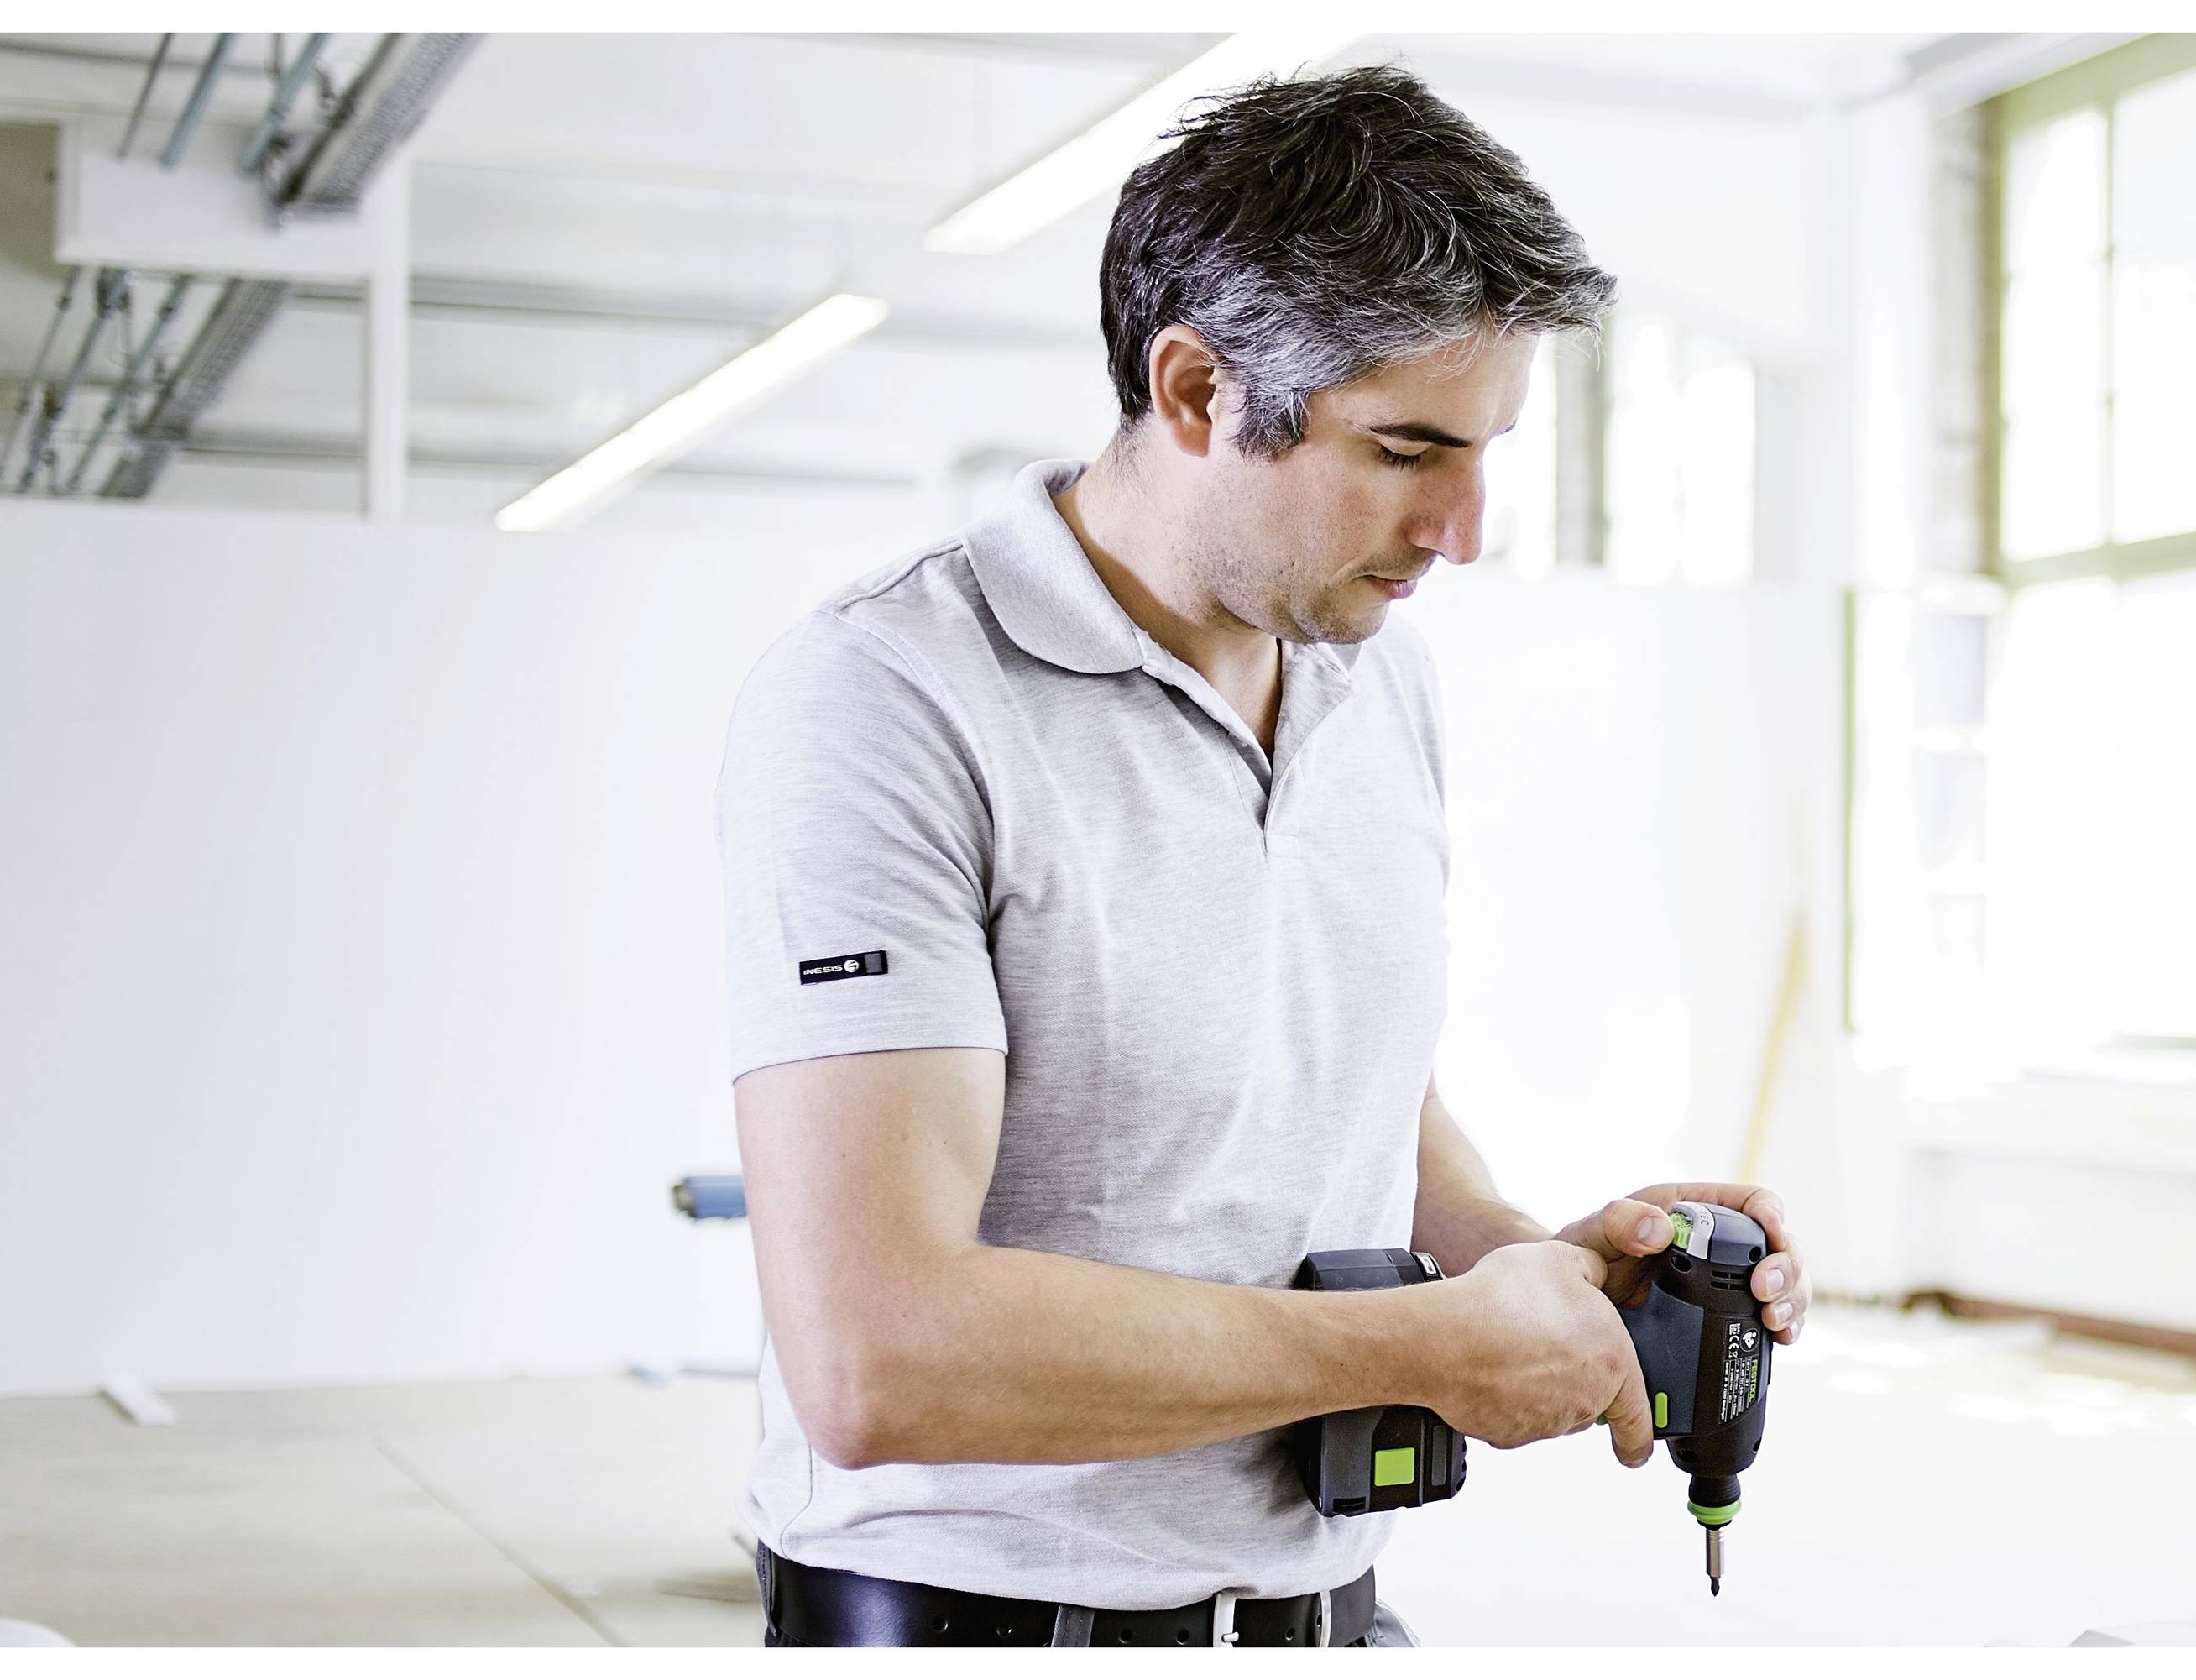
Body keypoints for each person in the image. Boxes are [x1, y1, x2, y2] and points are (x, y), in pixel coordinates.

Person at [714, 62, 1811, 1649]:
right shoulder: (886, 700)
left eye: (1489, 451)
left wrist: (1524, 1258)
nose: (1465, 528)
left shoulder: (1381, 678)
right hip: (984, 1621)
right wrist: (1423, 1346)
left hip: (1322, 1611)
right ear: (1195, 392)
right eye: (1405, 450)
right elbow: (881, 1351)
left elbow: (1340, 1072)